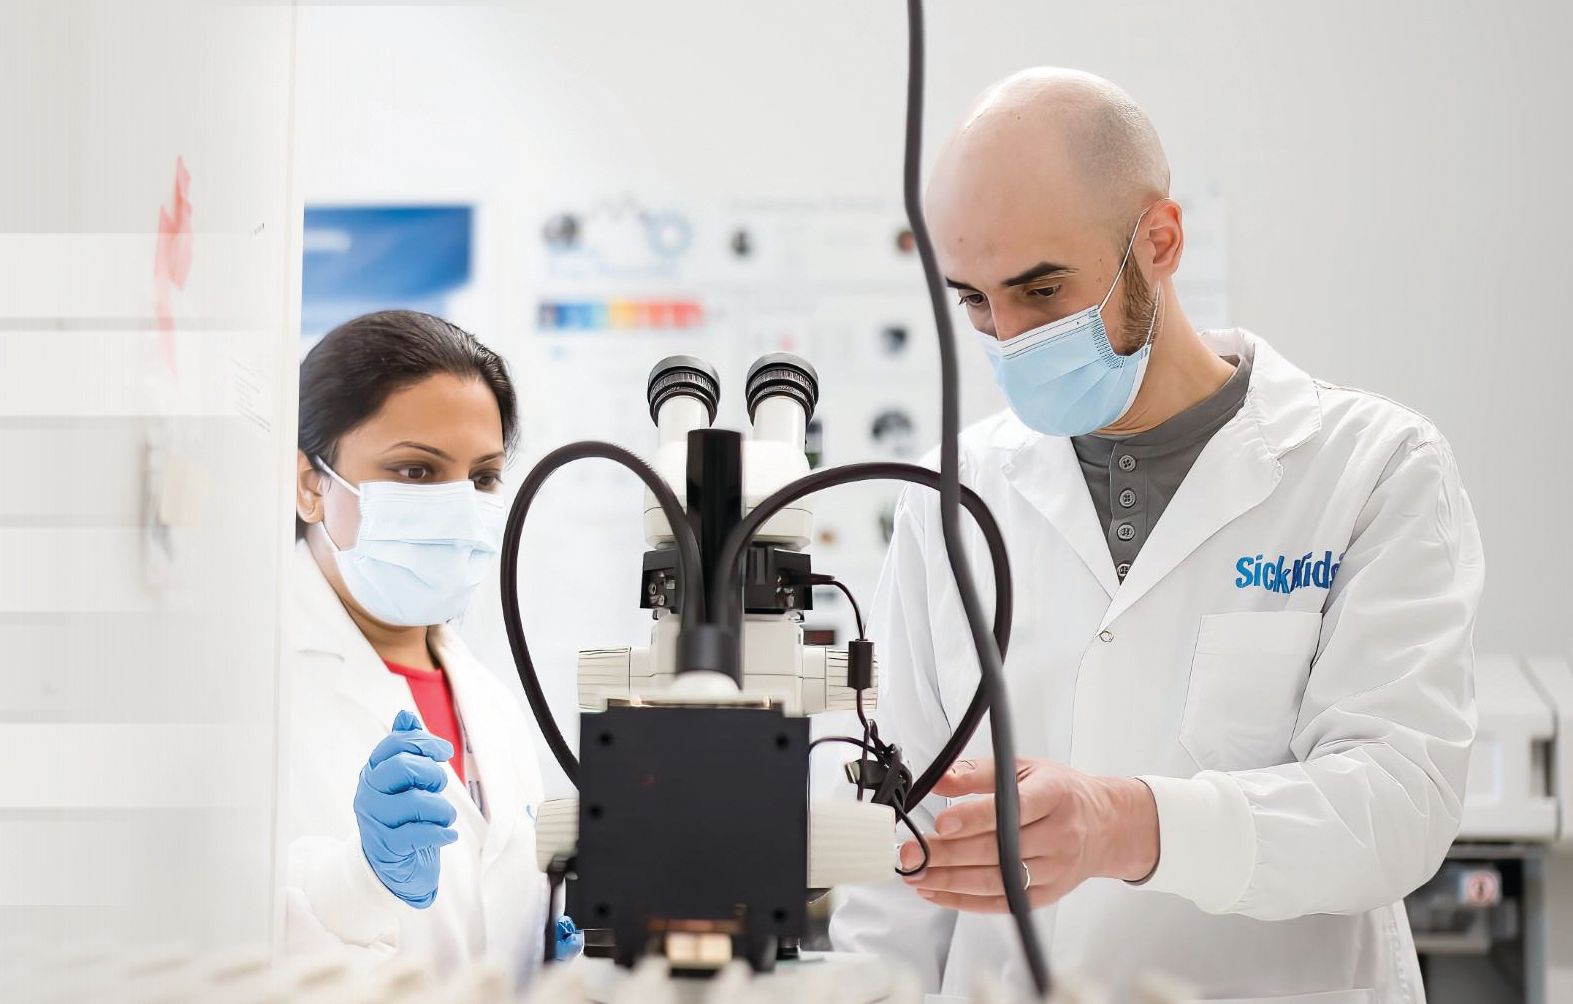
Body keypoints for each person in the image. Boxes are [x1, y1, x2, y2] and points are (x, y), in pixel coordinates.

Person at [831, 69, 1484, 1002]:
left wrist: (1121, 824)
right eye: (974, 300)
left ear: (1158, 241)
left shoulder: (1369, 467)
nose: (1007, 337)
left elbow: (1395, 806)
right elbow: (895, 867)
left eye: (1040, 290)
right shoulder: (952, 498)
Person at [281, 310, 565, 983]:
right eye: (414, 471)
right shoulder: (246, 679)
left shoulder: (490, 702)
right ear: (310, 484)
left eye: (485, 477)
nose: (459, 506)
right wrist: (358, 878)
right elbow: (201, 944)